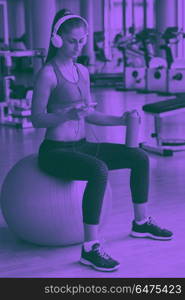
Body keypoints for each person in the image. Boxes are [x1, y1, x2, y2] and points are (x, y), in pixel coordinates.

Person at [31, 9, 173, 272]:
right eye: (72, 41)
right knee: (99, 170)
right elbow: (37, 119)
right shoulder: (48, 74)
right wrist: (66, 115)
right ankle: (90, 247)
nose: (78, 46)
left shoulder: (82, 71)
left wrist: (121, 119)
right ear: (57, 39)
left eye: (82, 41)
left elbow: (91, 114)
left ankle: (140, 223)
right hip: (55, 151)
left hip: (84, 144)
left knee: (139, 157)